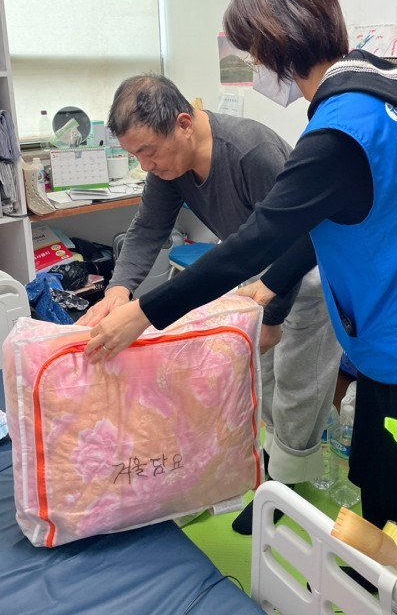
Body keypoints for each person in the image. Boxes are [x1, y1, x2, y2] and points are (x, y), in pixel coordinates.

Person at [84, 0, 397, 569]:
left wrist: (144, 313)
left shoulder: (338, 135)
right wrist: (267, 288)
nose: (254, 70)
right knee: (380, 500)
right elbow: (314, 223)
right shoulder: (376, 100)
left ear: (278, 48)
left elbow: (256, 240)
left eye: (254, 55)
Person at [78, 72, 342, 534]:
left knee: (299, 384)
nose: (146, 165)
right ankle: (276, 463)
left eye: (148, 152)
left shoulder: (250, 152)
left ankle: (286, 489)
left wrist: (274, 317)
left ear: (183, 123)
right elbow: (147, 229)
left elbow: (298, 238)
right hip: (256, 273)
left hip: (309, 269)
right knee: (263, 378)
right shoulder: (170, 168)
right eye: (135, 156)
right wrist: (118, 290)